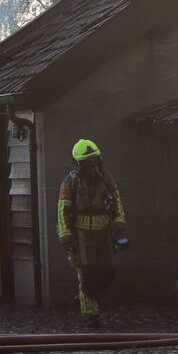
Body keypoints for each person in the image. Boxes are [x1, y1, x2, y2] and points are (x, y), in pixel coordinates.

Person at [57, 139, 128, 327]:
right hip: (82, 234)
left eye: (94, 160)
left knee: (107, 270)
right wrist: (66, 237)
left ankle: (85, 297)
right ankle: (90, 314)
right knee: (87, 274)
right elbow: (63, 210)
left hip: (104, 231)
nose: (92, 164)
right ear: (79, 163)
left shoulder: (106, 178)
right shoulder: (70, 182)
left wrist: (119, 226)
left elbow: (117, 202)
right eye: (87, 161)